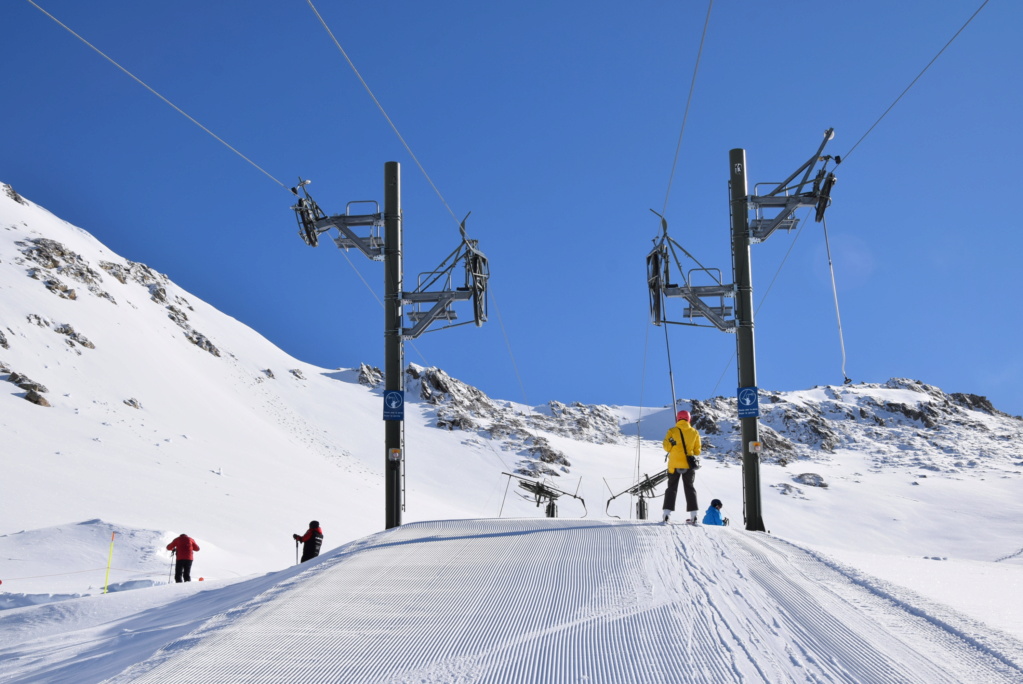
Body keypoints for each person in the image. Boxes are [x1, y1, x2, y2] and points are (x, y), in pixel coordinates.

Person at [661, 409, 702, 524]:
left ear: (678, 419)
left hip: (674, 465)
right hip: (688, 466)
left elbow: (666, 447)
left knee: (671, 489)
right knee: (690, 488)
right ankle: (694, 516)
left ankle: (666, 515)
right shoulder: (694, 432)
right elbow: (697, 451)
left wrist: (673, 443)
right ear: (689, 419)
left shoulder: (672, 431)